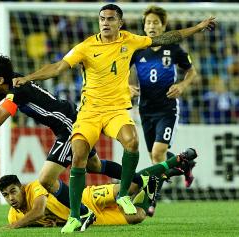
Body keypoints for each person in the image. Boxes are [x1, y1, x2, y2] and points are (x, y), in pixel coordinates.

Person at [12, 3, 215, 233]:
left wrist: (198, 27)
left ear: (120, 22)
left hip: (116, 111)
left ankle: (124, 195)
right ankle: (75, 216)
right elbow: (58, 67)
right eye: (102, 19)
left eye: (110, 19)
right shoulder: (86, 46)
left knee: (132, 142)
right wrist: (29, 77)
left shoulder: (130, 40)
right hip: (89, 112)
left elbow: (168, 38)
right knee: (80, 156)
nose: (105, 23)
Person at [0, 54, 149, 218]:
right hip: (71, 118)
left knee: (46, 180)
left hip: (69, 126)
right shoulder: (10, 85)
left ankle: (84, 213)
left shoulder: (16, 90)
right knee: (93, 166)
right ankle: (143, 179)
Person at [0, 148, 197, 230]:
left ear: (22, 188)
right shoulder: (13, 216)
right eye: (6, 195)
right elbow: (36, 222)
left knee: (131, 187)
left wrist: (12, 229)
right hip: (90, 218)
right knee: (138, 216)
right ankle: (162, 176)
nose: (10, 198)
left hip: (85, 199)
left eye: (13, 191)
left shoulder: (34, 188)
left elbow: (38, 211)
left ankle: (174, 160)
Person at [129, 6, 198, 216]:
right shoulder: (137, 50)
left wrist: (183, 86)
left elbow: (191, 72)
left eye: (155, 22)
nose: (151, 26)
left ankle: (152, 201)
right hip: (145, 109)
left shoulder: (175, 49)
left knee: (157, 154)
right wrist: (126, 86)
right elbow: (120, 72)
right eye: (148, 22)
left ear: (163, 26)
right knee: (155, 158)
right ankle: (184, 164)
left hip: (167, 108)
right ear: (144, 26)